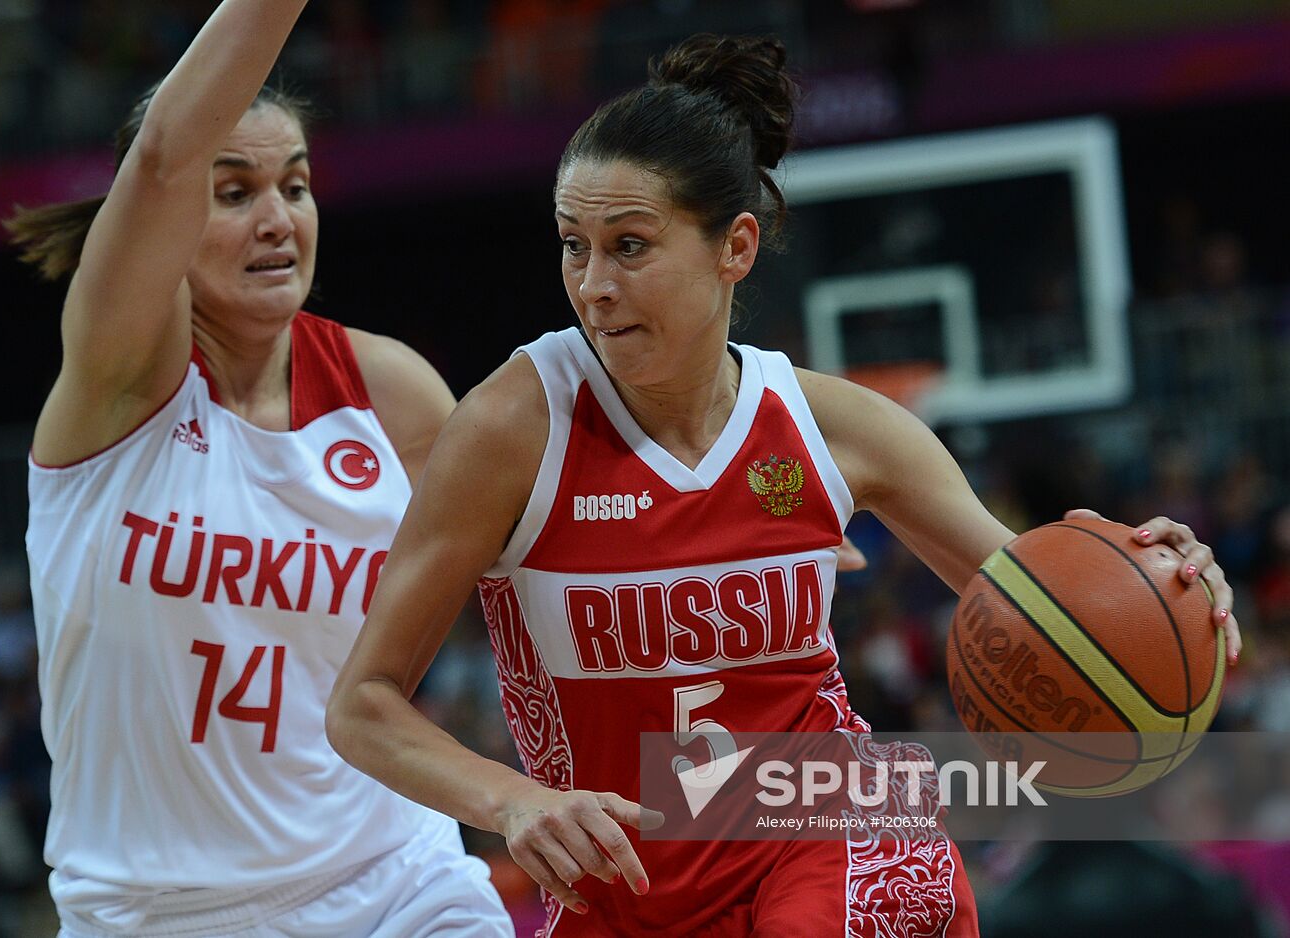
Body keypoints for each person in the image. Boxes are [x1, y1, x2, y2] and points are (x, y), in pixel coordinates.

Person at [324, 33, 1243, 937]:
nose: (593, 285)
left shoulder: (836, 427)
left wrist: (1166, 592)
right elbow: (363, 704)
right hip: (627, 891)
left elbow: (1046, 618)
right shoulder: (512, 428)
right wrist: (515, 800)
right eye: (574, 245)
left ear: (736, 247)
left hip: (831, 832)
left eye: (630, 246)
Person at [7, 2, 513, 934]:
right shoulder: (120, 385)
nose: (277, 219)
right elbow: (163, 155)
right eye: (234, 191)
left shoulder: (391, 394)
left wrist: (713, 531)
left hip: (394, 881)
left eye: (296, 185)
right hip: (160, 913)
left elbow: (551, 548)